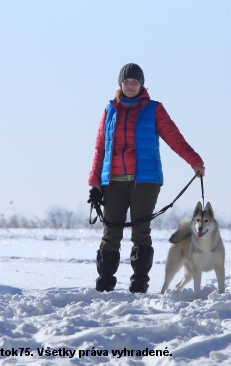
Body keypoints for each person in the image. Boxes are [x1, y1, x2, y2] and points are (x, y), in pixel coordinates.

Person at [88, 63, 205, 294]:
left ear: (142, 85)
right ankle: (104, 285)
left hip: (145, 181)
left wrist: (195, 161)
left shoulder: (154, 109)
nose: (130, 86)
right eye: (126, 82)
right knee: (111, 233)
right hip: (112, 182)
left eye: (135, 82)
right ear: (120, 85)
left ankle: (139, 285)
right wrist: (94, 182)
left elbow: (174, 138)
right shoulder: (109, 110)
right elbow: (100, 148)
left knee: (141, 232)